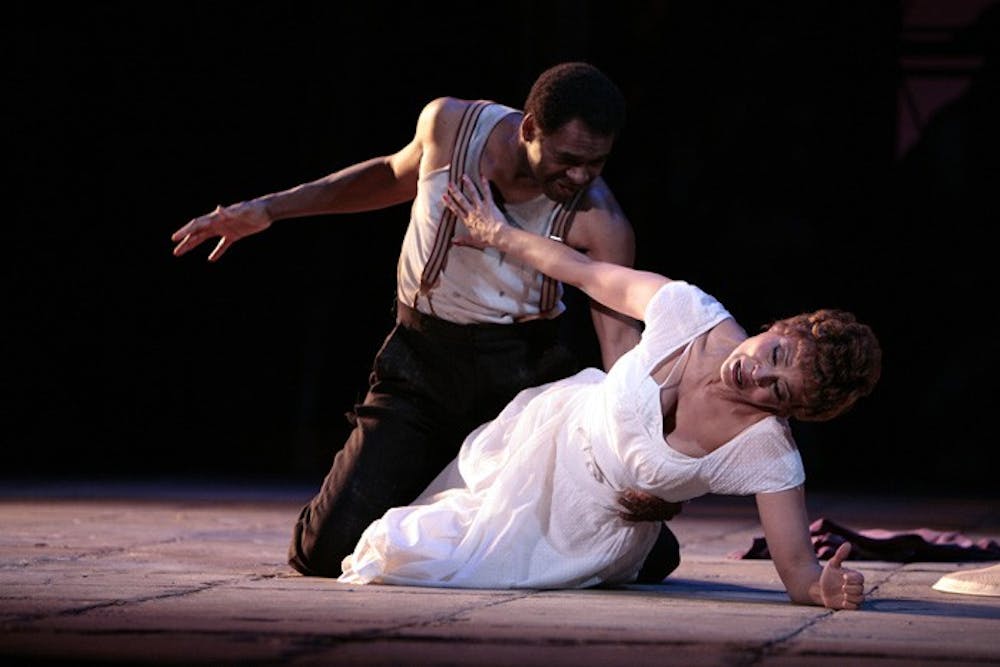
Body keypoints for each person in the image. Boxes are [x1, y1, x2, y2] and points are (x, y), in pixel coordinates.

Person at [171, 62, 683, 581]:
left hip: (520, 385)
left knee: (650, 554)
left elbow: (620, 347)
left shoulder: (601, 220)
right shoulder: (451, 127)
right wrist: (270, 209)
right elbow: (393, 174)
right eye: (568, 159)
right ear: (530, 128)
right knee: (321, 555)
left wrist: (642, 462)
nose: (579, 177)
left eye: (595, 164)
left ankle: (459, 497)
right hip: (422, 366)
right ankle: (437, 490)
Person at [335, 174, 882, 610]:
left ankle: (643, 555)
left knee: (430, 561)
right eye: (776, 356)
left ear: (785, 414)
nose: (758, 377)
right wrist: (494, 230)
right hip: (538, 441)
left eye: (778, 393)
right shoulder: (688, 310)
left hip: (586, 528)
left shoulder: (766, 449)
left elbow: (798, 569)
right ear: (779, 327)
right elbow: (584, 271)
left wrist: (822, 589)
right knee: (395, 541)